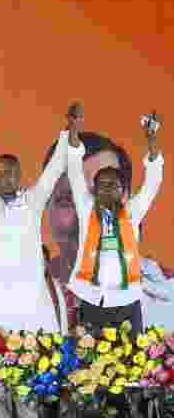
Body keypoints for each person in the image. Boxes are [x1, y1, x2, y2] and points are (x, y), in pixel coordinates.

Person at [0, 100, 68, 331]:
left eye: (9, 172)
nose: (3, 177)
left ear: (19, 175)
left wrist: (68, 132)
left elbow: (55, 168)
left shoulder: (34, 200)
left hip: (27, 301)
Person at [64, 104, 163, 336]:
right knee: (87, 366)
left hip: (127, 299)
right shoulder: (86, 207)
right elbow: (74, 169)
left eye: (114, 185)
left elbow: (153, 181)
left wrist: (151, 141)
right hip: (90, 297)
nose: (108, 189)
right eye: (102, 185)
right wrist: (73, 129)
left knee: (132, 363)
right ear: (94, 190)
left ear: (123, 191)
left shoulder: (133, 211)